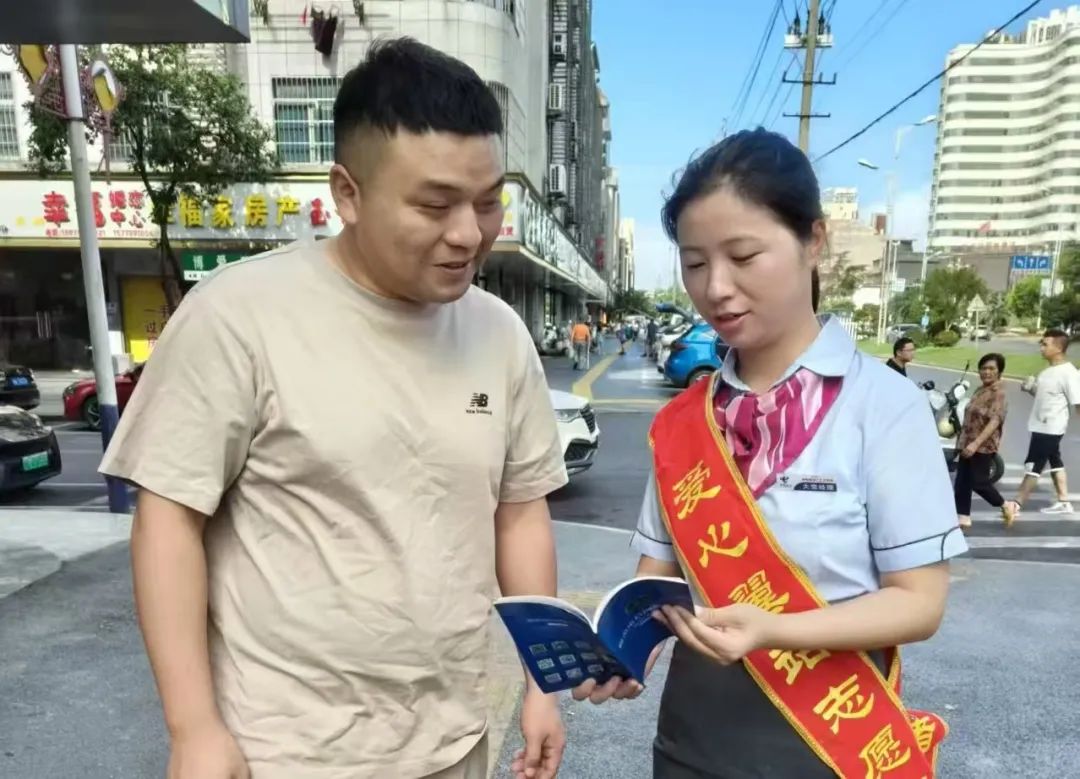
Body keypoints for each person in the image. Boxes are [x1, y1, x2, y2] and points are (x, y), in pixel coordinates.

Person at [100, 38, 577, 779]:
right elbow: (168, 519)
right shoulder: (239, 315)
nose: (468, 233)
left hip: (452, 740)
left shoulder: (500, 334)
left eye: (488, 201)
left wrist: (544, 682)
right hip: (286, 751)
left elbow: (519, 513)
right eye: (434, 204)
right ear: (347, 193)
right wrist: (193, 727)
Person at [576, 128, 965, 777]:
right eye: (694, 264)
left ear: (813, 241)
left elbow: (919, 603)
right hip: (692, 746)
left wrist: (775, 628)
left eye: (743, 256)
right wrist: (622, 653)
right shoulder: (682, 421)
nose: (716, 288)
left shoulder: (883, 406)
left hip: (827, 748)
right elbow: (656, 582)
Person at [1007, 328, 1080, 516]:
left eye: (1045, 344)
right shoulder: (1047, 372)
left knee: (1033, 465)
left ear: (1058, 348)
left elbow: (1078, 402)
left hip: (1051, 428)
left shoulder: (1069, 373)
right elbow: (1043, 397)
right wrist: (1029, 388)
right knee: (1055, 461)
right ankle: (1064, 502)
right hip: (1039, 425)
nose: (1041, 348)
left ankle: (1016, 505)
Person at [954, 353, 1015, 529]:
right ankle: (963, 516)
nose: (986, 372)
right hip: (967, 442)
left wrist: (975, 444)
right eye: (983, 368)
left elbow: (995, 421)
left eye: (991, 369)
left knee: (979, 482)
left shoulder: (999, 393)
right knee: (962, 482)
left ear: (999, 372)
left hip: (982, 445)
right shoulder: (980, 389)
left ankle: (1006, 505)